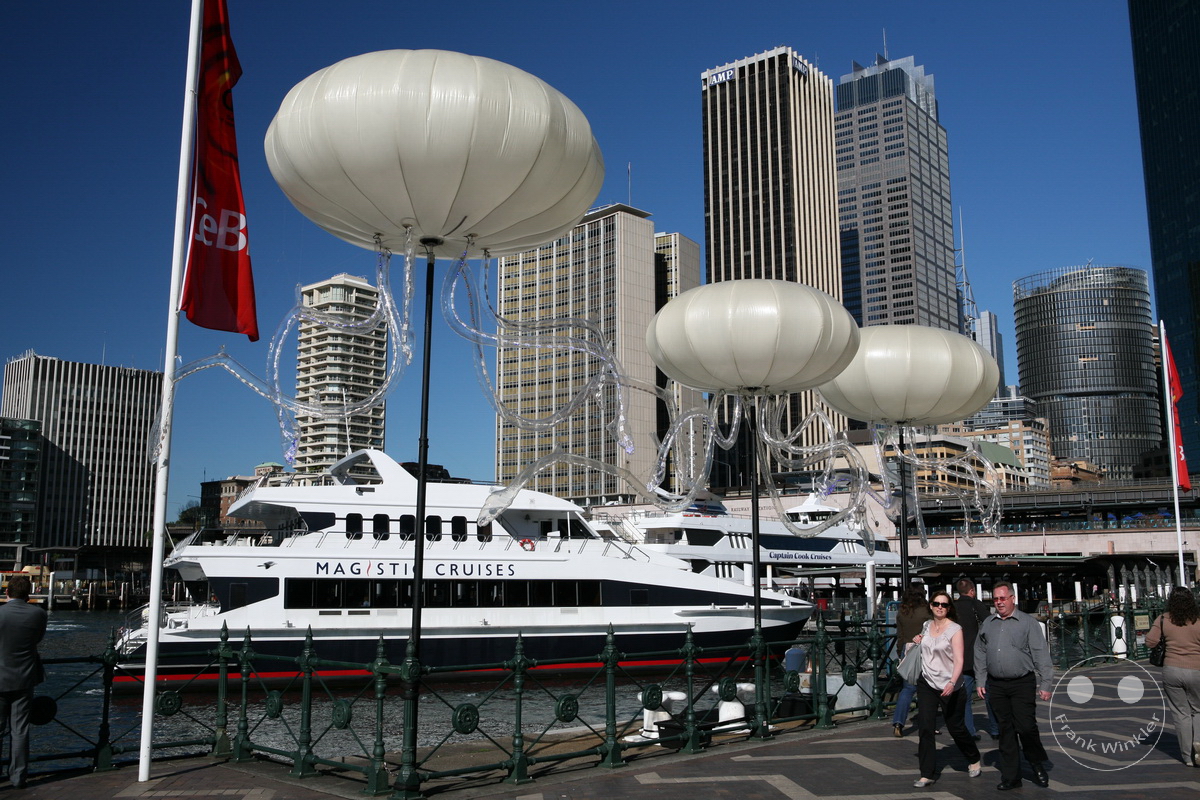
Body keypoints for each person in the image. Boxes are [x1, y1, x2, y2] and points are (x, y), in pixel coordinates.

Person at [975, 580, 1053, 790]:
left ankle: (1036, 763)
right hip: (996, 685)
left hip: (1022, 682)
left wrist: (1045, 682)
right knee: (1005, 730)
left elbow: (1040, 653)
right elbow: (980, 652)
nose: (999, 602)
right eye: (995, 599)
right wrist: (980, 680)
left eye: (1002, 598)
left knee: (1026, 727)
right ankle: (1011, 776)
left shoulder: (1028, 623)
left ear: (1012, 598)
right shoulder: (988, 623)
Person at [911, 591, 982, 787]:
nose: (940, 607)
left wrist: (952, 682)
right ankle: (927, 773)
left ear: (949, 608)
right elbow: (925, 646)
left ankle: (973, 757)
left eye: (944, 604)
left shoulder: (955, 629)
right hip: (927, 682)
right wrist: (918, 639)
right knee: (925, 726)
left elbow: (959, 659)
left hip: (950, 685)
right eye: (936, 603)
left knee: (955, 728)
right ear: (931, 606)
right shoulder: (926, 626)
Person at [0, 575, 47, 789]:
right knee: (20, 730)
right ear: (28, 594)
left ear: (7, 593)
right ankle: (18, 777)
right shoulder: (38, 614)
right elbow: (37, 639)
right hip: (25, 677)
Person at [1145, 586, 1200, 767]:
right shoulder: (1198, 620)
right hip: (1197, 669)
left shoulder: (1163, 619)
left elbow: (1150, 641)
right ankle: (1198, 742)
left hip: (1171, 670)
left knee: (1181, 713)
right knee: (1198, 710)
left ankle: (1186, 756)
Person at [953, 578, 999, 740]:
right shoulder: (976, 605)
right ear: (972, 591)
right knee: (988, 694)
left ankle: (969, 730)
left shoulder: (953, 608)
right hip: (980, 658)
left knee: (965, 698)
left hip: (960, 659)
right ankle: (995, 728)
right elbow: (990, 624)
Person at [892, 583, 932, 737]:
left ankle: (898, 722)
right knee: (928, 689)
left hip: (907, 650)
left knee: (907, 689)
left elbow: (900, 636)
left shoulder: (902, 612)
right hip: (924, 651)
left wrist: (900, 652)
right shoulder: (926, 611)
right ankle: (927, 723)